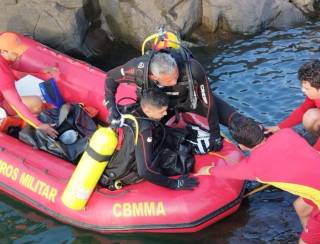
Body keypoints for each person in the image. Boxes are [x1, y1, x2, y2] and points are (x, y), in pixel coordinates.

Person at [104, 45, 247, 152]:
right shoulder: (137, 70)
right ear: (154, 77)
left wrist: (215, 134)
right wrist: (111, 108)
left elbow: (208, 103)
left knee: (242, 125)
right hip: (161, 108)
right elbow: (110, 77)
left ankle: (258, 138)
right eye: (169, 81)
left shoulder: (193, 68)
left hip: (189, 100)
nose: (174, 82)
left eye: (176, 76)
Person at [212, 116, 320, 244]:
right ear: (260, 128)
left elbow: (224, 172)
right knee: (301, 207)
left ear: (242, 146)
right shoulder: (287, 133)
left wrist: (207, 170)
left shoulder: (252, 167)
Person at [100, 88, 199, 190]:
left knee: (166, 134)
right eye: (162, 111)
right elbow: (145, 171)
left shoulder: (130, 110)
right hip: (122, 173)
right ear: (147, 111)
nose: (165, 114)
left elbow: (107, 104)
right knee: (182, 161)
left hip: (114, 162)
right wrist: (175, 184)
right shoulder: (144, 130)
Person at [0, 32, 58, 138]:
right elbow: (16, 103)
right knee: (36, 105)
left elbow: (15, 64)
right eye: (16, 53)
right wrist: (39, 125)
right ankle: (10, 125)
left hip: (2, 97)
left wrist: (41, 70)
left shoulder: (4, 56)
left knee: (34, 106)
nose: (20, 54)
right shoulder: (2, 74)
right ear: (4, 51)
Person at [266, 60, 320, 150]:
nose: (303, 90)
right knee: (309, 116)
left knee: (312, 118)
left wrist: (315, 152)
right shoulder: (313, 96)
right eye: (302, 86)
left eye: (307, 88)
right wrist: (279, 127)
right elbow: (303, 109)